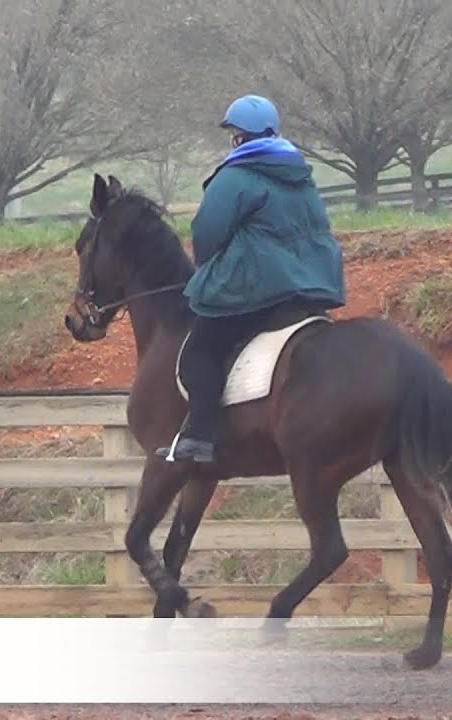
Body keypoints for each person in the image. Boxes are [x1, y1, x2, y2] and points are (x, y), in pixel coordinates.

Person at [156, 94, 346, 464]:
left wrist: (209, 272)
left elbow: (207, 234)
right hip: (312, 288)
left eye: (232, 132)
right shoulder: (300, 173)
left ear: (240, 137)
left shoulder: (235, 177)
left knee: (200, 351)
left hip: (258, 290)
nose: (231, 139)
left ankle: (198, 439)